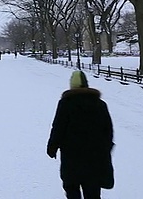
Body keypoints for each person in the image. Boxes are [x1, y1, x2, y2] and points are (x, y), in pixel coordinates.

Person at [47, 70, 114, 199]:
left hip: (71, 155)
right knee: (93, 190)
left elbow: (58, 127)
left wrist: (52, 147)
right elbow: (108, 129)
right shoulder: (100, 104)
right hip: (95, 156)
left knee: (72, 187)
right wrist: (106, 147)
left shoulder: (66, 103)